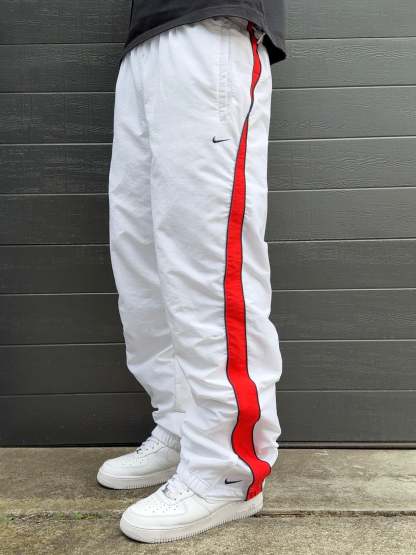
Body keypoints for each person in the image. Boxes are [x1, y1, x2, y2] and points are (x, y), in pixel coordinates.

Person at [98, 0, 287, 544]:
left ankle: (225, 469)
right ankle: (182, 427)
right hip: (146, 40)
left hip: (211, 25)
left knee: (207, 260)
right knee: (142, 261)